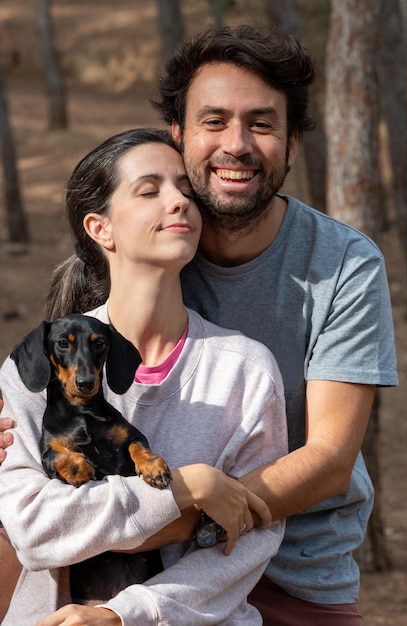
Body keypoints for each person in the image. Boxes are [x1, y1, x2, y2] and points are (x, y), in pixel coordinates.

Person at [0, 23, 398, 625]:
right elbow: (38, 461)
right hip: (100, 561)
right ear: (179, 136)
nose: (236, 144)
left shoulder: (340, 264)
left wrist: (176, 506)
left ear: (292, 145)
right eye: (213, 122)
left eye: (262, 124)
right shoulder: (136, 257)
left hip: (282, 568)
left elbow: (328, 459)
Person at [0, 127, 287, 625]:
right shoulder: (35, 371)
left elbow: (251, 540)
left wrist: (125, 615)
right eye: (151, 191)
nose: (178, 201)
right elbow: (32, 528)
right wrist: (183, 487)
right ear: (100, 228)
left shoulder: (245, 370)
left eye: (185, 189)